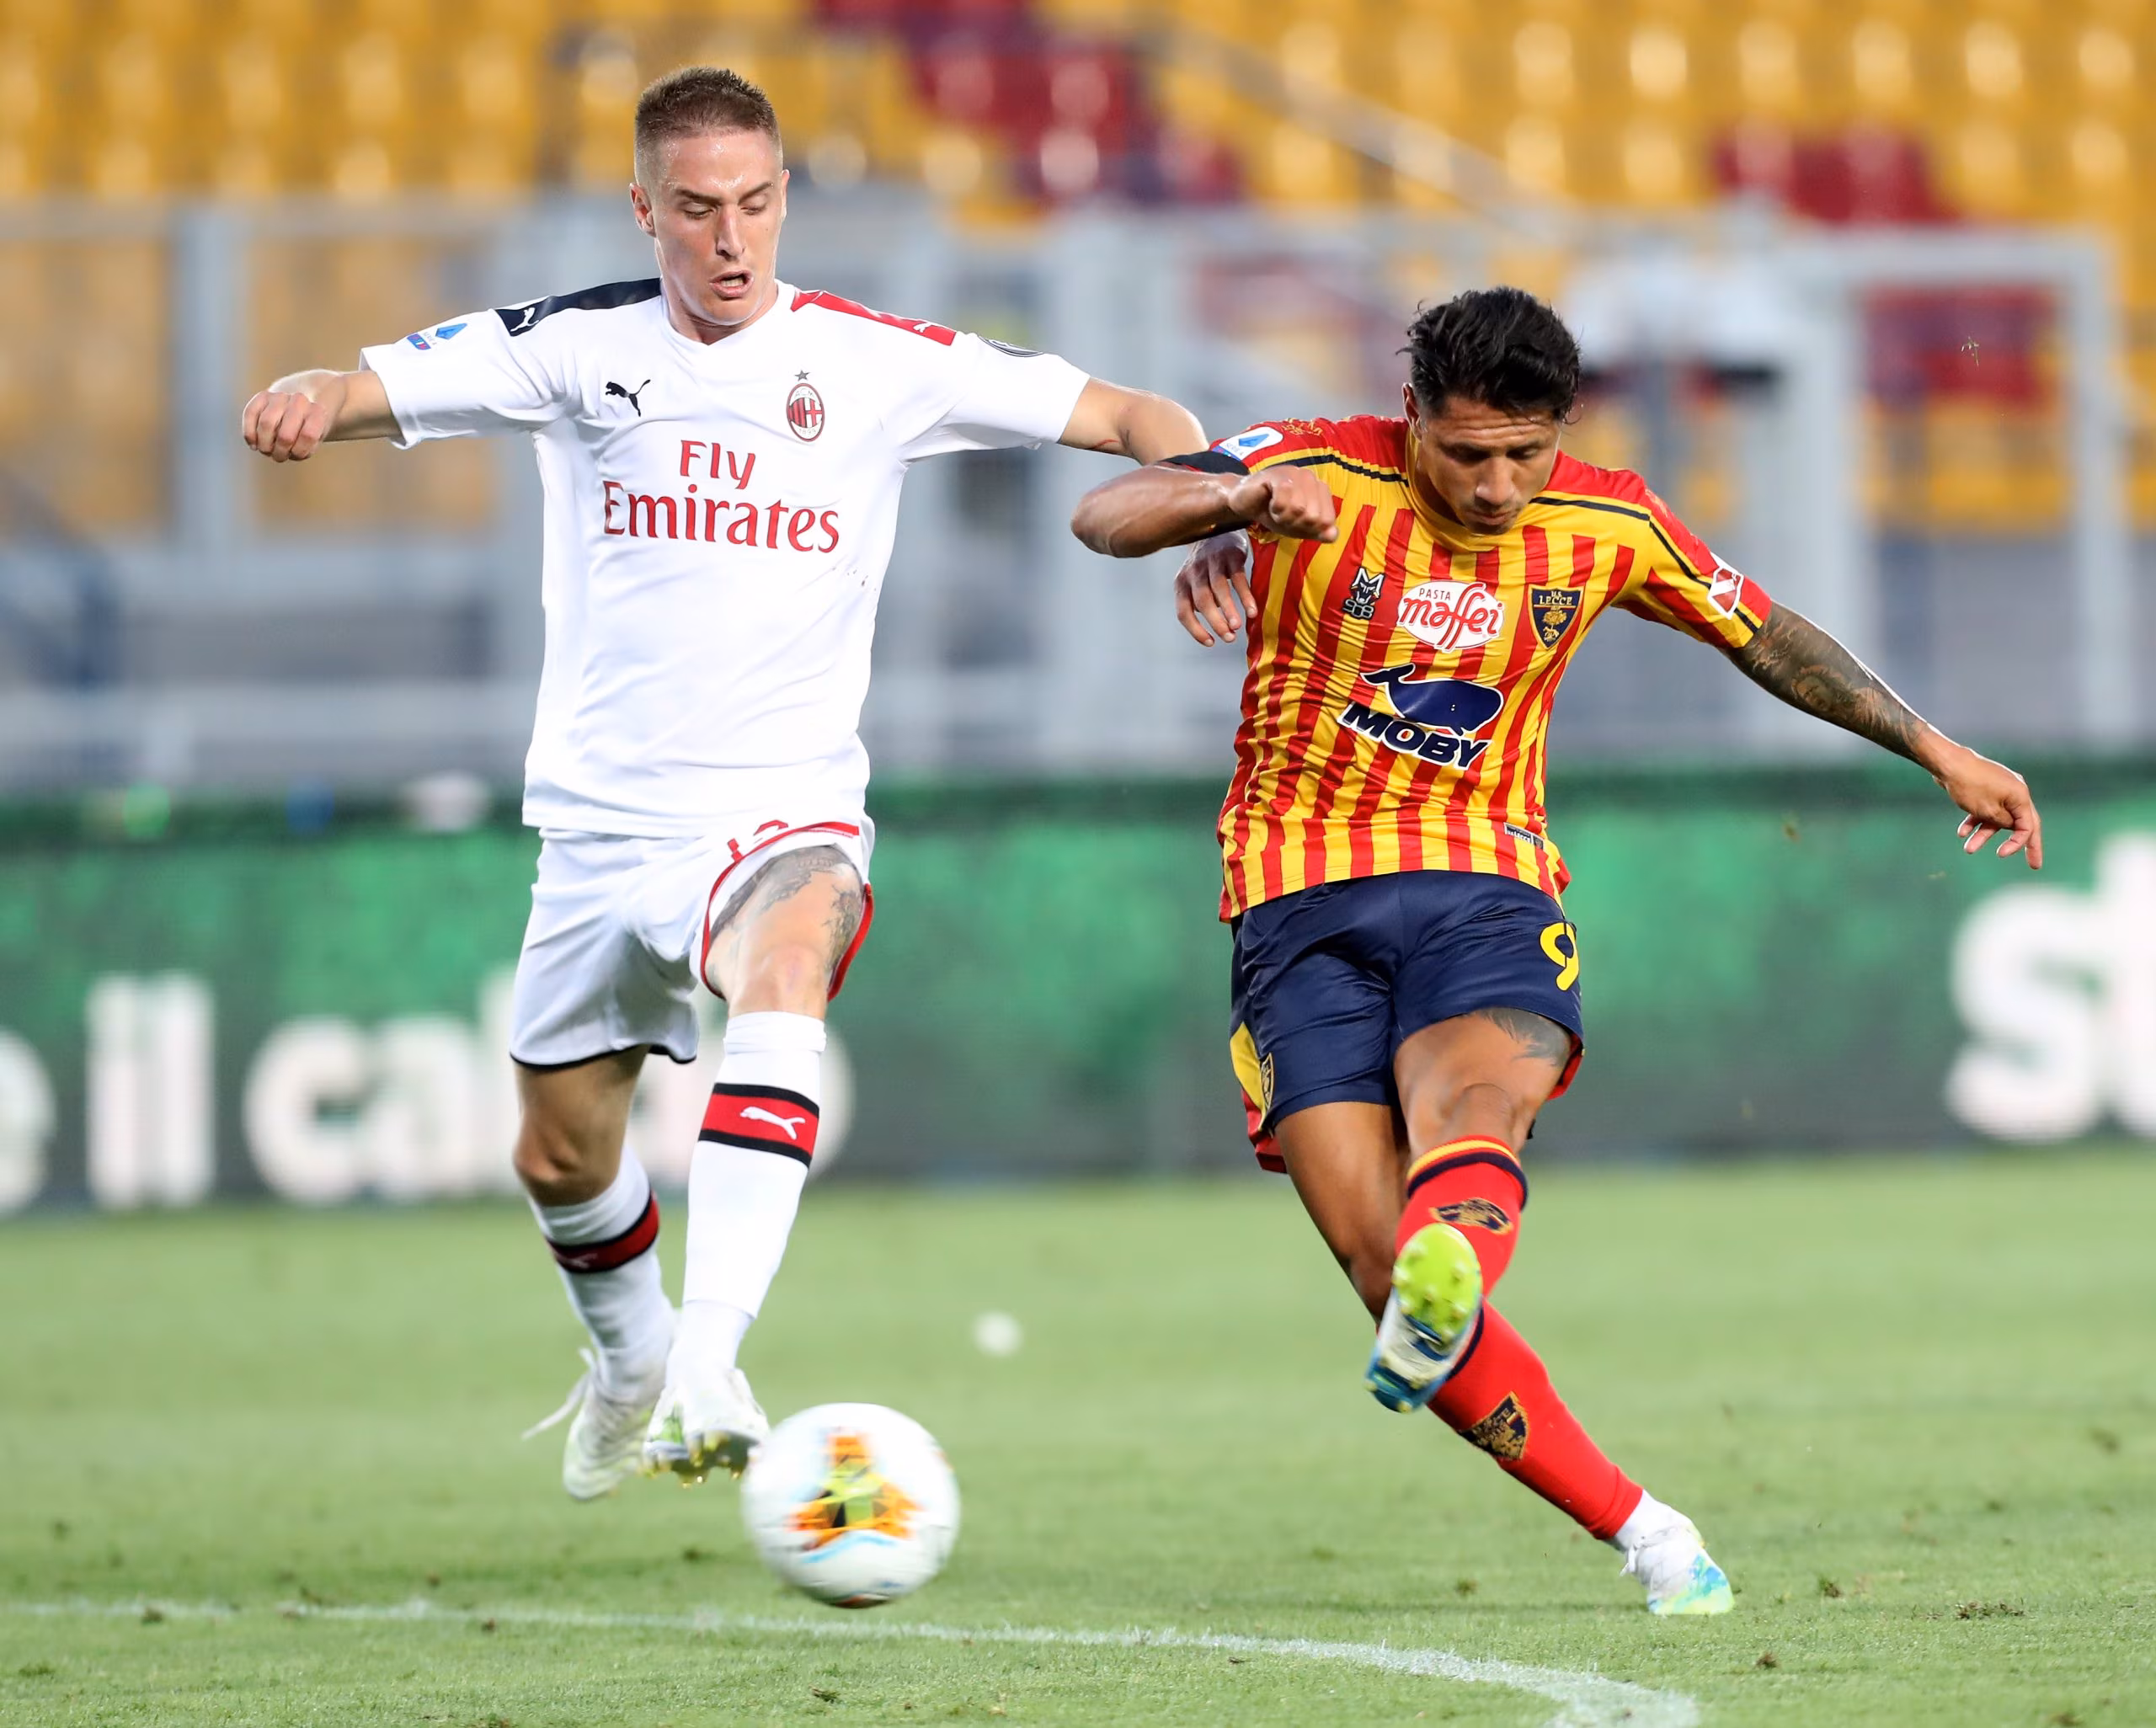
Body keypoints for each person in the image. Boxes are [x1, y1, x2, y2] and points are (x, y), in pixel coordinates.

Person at [240, 67, 1205, 1500]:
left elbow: (1139, 413)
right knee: (561, 1159)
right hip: (599, 827)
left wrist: (1213, 512)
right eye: (696, 208)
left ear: (785, 198)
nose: (731, 238)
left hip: (778, 809)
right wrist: (311, 397)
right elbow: (372, 389)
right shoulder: (578, 347)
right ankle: (632, 1359)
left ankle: (710, 1356)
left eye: (755, 202)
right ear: (645, 211)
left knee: (791, 955)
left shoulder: (876, 360)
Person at [1069, 285, 2041, 1614]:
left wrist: (1935, 747)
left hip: (1484, 880)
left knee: (1473, 1113)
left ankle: (1481, 1299)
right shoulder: (1312, 465)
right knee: (1378, 1263)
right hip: (1294, 901)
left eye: (1525, 454)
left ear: (1561, 433)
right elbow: (1106, 512)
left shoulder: (1608, 520)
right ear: (1413, 418)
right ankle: (1648, 1525)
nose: (1497, 486)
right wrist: (1233, 505)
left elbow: (1764, 633)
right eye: (1468, 453)